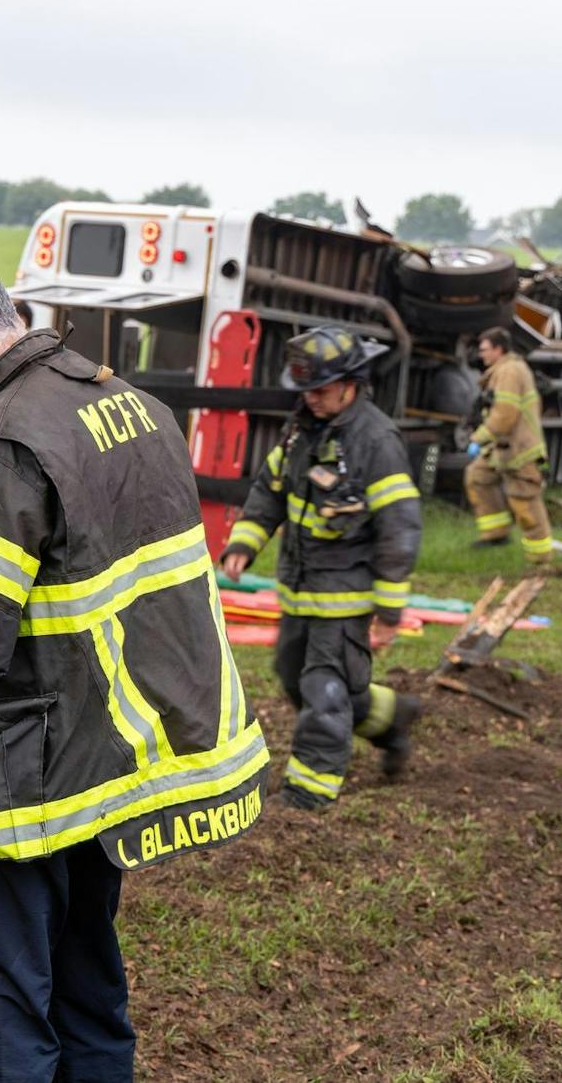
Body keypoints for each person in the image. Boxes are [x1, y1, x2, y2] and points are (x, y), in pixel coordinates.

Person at [0, 253, 270, 1082]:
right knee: (88, 984)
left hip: (25, 774)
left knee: (1, 1004)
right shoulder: (129, 402)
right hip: (114, 756)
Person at [220, 326, 423, 809]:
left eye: (321, 389)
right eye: (305, 389)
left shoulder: (377, 440)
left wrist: (390, 611)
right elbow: (269, 491)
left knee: (324, 689)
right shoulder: (299, 433)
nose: (311, 398)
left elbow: (401, 528)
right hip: (300, 593)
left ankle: (308, 795)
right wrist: (244, 545)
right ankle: (393, 718)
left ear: (352, 383)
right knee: (296, 678)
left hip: (346, 599)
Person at [464, 326, 553, 564]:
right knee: (478, 476)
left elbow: (505, 414)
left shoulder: (510, 371)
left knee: (524, 501)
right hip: (503, 446)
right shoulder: (502, 370)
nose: (481, 355)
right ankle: (496, 534)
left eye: (484, 350)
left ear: (498, 349)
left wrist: (478, 438)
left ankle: (540, 557)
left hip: (520, 449)